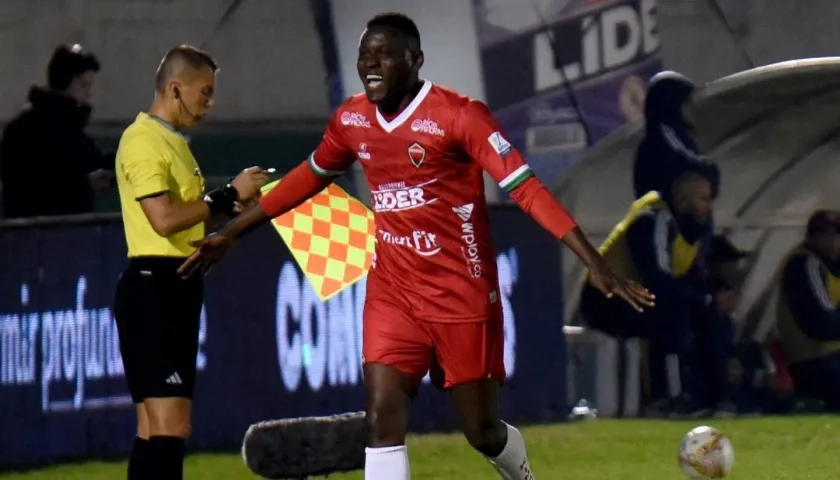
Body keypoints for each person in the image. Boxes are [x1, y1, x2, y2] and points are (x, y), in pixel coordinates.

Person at [179, 13, 654, 480]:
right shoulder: (352, 119)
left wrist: (592, 259)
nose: (371, 64)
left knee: (482, 431)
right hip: (394, 293)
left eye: (385, 55)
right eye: (365, 55)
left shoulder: (458, 115)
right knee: (382, 420)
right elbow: (310, 177)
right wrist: (234, 229)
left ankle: (519, 471)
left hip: (461, 295)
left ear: (416, 60)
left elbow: (525, 188)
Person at [113, 45, 269, 480]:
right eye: (205, 92)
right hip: (156, 289)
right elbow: (163, 219)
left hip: (168, 287)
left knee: (154, 429)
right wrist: (226, 196)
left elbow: (183, 214)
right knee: (170, 428)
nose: (209, 103)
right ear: (175, 89)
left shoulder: (170, 143)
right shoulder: (143, 140)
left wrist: (226, 208)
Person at [579, 172, 716, 419]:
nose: (709, 205)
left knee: (704, 314)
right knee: (672, 317)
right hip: (604, 300)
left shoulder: (692, 229)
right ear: (684, 201)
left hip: (635, 296)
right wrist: (697, 297)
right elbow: (657, 276)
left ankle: (712, 393)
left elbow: (693, 277)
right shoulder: (654, 220)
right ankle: (667, 398)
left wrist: (708, 298)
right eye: (704, 198)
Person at [0, 43, 114, 218]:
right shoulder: (31, 133)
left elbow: (94, 162)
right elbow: (31, 187)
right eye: (84, 85)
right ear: (66, 82)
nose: (89, 93)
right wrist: (83, 184)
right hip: (46, 236)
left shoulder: (24, 128)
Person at [775, 209, 840, 412]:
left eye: (836, 235)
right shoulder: (805, 265)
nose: (832, 241)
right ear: (811, 237)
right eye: (824, 235)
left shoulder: (833, 266)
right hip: (814, 361)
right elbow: (822, 325)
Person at [633, 71, 720, 203]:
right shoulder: (663, 138)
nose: (694, 108)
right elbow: (689, 165)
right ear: (673, 104)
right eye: (688, 102)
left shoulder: (676, 138)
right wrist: (708, 169)